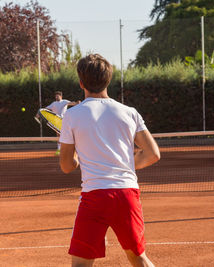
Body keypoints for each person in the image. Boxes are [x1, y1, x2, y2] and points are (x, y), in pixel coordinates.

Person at [59, 54, 160, 267]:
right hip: (127, 194)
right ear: (108, 80)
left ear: (80, 82)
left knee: (80, 265)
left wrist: (78, 159)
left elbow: (67, 166)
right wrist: (125, 166)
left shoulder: (72, 115)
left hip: (94, 197)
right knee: (138, 257)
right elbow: (152, 154)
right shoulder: (130, 112)